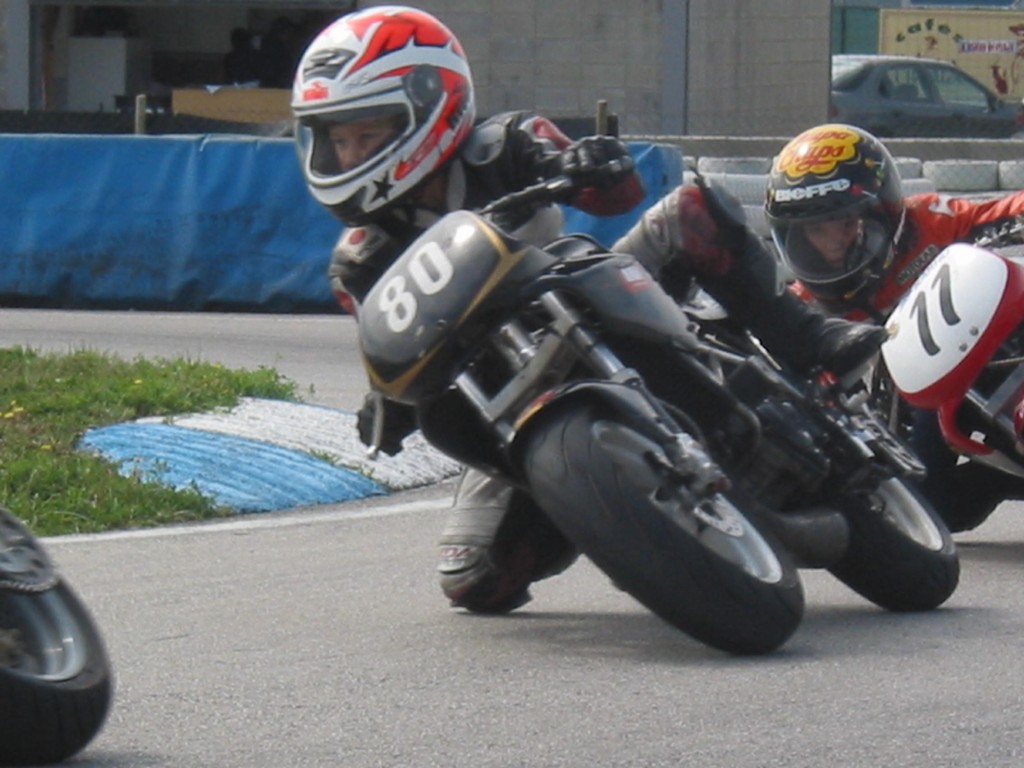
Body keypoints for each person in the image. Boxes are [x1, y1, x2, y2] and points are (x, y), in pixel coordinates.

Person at [291, 7, 885, 613]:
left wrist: (587, 163)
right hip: (500, 390)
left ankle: (810, 337)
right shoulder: (358, 264)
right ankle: (610, 514)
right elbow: (399, 351)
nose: (349, 153)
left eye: (366, 134)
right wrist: (387, 402)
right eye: (338, 140)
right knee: (474, 579)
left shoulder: (502, 145)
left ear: (428, 106)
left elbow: (618, 193)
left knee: (687, 212)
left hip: (583, 292)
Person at [765, 122, 1024, 532]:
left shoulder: (930, 224)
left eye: (845, 222)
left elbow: (1000, 213)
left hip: (1001, 349)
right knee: (933, 511)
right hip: (931, 408)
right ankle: (1005, 478)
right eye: (816, 229)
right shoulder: (805, 310)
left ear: (881, 211)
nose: (834, 242)